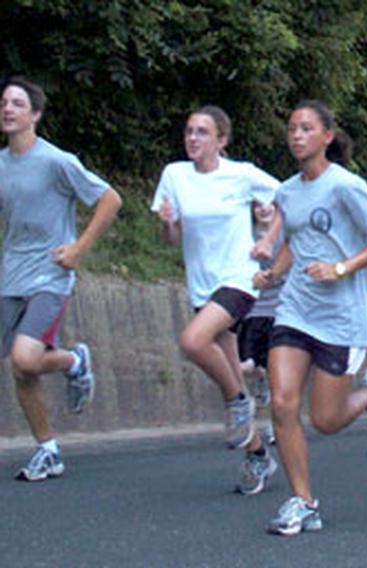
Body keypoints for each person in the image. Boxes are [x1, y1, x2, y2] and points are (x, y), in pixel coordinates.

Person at [255, 100, 367, 536]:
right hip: (296, 308)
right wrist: (274, 272)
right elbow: (296, 241)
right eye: (292, 128)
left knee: (327, 421)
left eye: (306, 128)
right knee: (282, 402)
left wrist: (341, 268)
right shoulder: (287, 191)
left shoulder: (346, 186)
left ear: (326, 137)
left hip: (339, 316)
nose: (297, 135)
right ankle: (303, 501)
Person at [152, 105, 280, 495]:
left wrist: (266, 238)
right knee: (228, 368)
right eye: (189, 131)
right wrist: (168, 224)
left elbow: (287, 201)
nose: (193, 138)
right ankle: (258, 453)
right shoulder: (174, 175)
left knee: (192, 341)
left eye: (202, 132)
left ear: (221, 140)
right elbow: (169, 241)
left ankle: (238, 404)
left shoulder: (240, 174)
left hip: (239, 279)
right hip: (201, 285)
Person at [0, 77, 122, 481]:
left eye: (17, 104)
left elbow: (110, 199)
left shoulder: (56, 161)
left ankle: (74, 360)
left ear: (35, 114)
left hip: (50, 276)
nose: (8, 109)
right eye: (4, 103)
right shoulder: (2, 164)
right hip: (11, 277)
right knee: (22, 370)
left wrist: (79, 248)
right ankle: (48, 450)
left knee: (24, 357)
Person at [237, 201, 285, 446]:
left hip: (279, 312)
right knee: (246, 366)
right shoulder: (245, 236)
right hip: (252, 311)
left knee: (274, 371)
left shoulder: (285, 237)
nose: (263, 209)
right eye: (257, 206)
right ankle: (256, 395)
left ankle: (276, 426)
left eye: (269, 205)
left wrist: (270, 275)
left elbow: (292, 268)